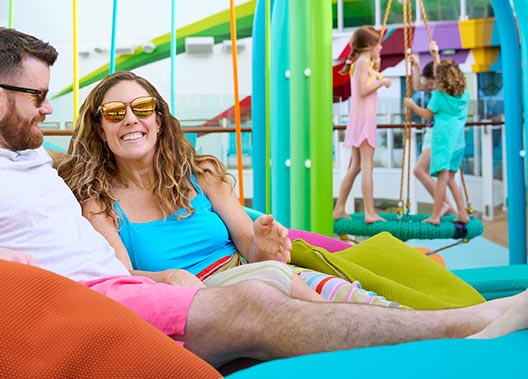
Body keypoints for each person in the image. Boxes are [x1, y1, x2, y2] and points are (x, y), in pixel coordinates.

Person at [0, 27, 528, 367]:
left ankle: (460, 326)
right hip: (84, 304)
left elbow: (90, 168)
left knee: (274, 279)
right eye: (37, 98)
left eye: (142, 110)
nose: (47, 110)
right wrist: (11, 268)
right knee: (257, 299)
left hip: (129, 289)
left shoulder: (33, 159)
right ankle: (466, 332)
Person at [58, 70, 398, 307]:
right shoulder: (99, 203)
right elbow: (122, 276)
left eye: (142, 108)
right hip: (203, 301)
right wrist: (170, 278)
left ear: (158, 121)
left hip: (257, 275)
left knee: (367, 304)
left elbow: (251, 249)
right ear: (100, 129)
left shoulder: (201, 174)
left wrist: (261, 243)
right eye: (115, 113)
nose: (131, 119)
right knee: (282, 285)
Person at [333, 26, 392, 224]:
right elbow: (363, 90)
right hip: (364, 119)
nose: (381, 47)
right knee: (367, 165)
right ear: (368, 46)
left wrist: (378, 67)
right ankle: (369, 211)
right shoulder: (362, 62)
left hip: (359, 117)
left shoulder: (363, 62)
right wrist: (382, 82)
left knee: (356, 166)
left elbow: (366, 82)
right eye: (378, 44)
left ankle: (339, 208)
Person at [404, 60, 471, 226]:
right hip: (458, 142)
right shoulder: (465, 94)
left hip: (443, 140)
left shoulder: (439, 96)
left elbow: (426, 115)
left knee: (442, 177)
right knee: (451, 179)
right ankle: (462, 213)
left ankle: (435, 216)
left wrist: (411, 105)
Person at [409, 43, 458, 217]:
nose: (430, 87)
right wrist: (416, 67)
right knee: (436, 174)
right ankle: (450, 208)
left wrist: (436, 55)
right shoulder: (436, 90)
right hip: (432, 134)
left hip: (439, 136)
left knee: (419, 170)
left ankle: (444, 205)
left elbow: (439, 75)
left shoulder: (444, 89)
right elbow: (417, 86)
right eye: (429, 84)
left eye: (432, 83)